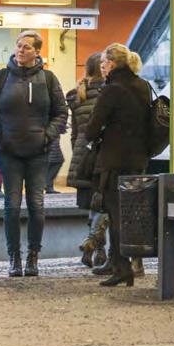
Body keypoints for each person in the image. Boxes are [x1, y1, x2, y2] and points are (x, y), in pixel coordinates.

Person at [0, 31, 68, 278]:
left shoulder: (48, 79)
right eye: (19, 46)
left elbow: (61, 113)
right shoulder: (0, 78)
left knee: (37, 205)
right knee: (12, 205)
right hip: (9, 152)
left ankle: (33, 256)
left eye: (27, 47)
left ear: (37, 52)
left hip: (38, 152)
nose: (21, 50)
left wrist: (47, 135)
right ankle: (14, 257)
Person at [85, 43, 152, 287]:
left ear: (112, 64)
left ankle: (121, 268)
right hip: (139, 159)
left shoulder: (113, 90)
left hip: (115, 161)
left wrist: (96, 135)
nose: (102, 67)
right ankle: (133, 263)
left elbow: (92, 128)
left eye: (103, 63)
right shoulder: (142, 86)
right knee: (131, 214)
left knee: (115, 214)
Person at [67, 52, 108, 269]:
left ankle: (95, 248)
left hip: (82, 157)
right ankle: (96, 247)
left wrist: (78, 155)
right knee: (104, 203)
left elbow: (75, 134)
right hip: (101, 154)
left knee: (93, 204)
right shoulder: (106, 93)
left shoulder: (77, 94)